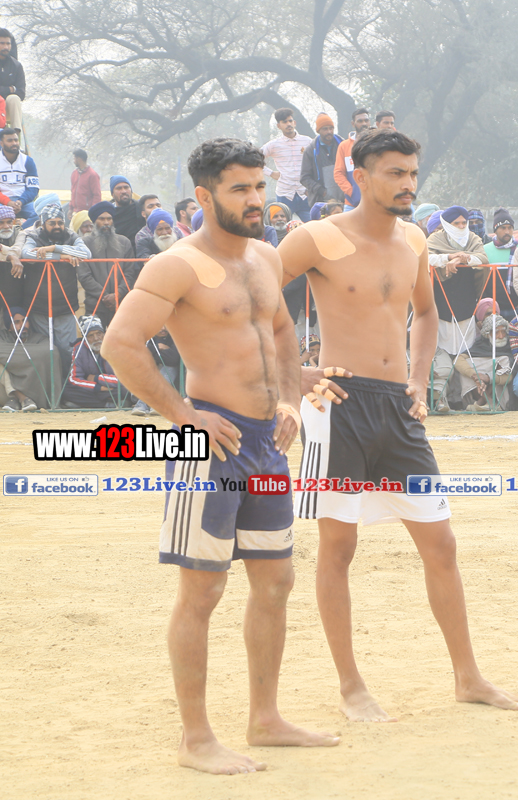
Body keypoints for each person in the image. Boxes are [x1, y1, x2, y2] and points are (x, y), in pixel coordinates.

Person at [102, 137, 338, 774]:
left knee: (276, 581)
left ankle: (265, 719)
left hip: (266, 444)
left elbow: (280, 332)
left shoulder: (265, 256)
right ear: (205, 197)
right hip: (209, 446)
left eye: (260, 186)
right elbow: (121, 343)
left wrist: (289, 399)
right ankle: (196, 738)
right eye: (241, 189)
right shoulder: (176, 266)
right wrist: (185, 416)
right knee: (203, 589)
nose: (257, 199)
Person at [278, 128, 518, 721]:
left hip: (398, 408)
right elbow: (254, 299)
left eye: (412, 173)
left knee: (441, 543)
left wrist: (418, 380)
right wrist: (294, 373)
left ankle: (468, 677)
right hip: (338, 406)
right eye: (395, 173)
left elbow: (426, 312)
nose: (408, 184)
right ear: (360, 177)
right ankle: (351, 687)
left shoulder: (415, 238)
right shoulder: (316, 236)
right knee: (339, 546)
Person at [427, 205, 488, 413]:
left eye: (464, 222)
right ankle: (441, 399)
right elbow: (426, 258)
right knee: (441, 355)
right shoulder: (435, 239)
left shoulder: (473, 239)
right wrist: (449, 257)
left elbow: (482, 258)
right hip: (441, 306)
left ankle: (465, 401)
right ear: (446, 224)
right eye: (457, 223)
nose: (461, 226)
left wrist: (464, 258)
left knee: (465, 354)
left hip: (466, 305)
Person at [22, 203, 88, 353]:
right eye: (52, 223)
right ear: (43, 224)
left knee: (68, 349)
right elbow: (27, 254)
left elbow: (86, 253)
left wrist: (53, 249)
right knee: (45, 350)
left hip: (65, 304)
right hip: (39, 306)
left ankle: (69, 370)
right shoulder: (34, 236)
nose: (57, 226)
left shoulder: (70, 235)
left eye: (60, 223)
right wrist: (62, 256)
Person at [79, 201, 136, 315]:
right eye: (102, 219)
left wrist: (118, 294)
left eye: (109, 219)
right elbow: (84, 276)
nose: (106, 223)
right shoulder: (84, 244)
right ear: (94, 221)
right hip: (95, 304)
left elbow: (130, 273)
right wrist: (105, 296)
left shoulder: (124, 242)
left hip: (121, 303)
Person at [456, 299, 512, 412]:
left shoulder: (509, 346)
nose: (501, 336)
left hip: (499, 392)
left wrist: (488, 377)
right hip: (478, 385)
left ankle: (484, 402)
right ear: (487, 334)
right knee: (467, 364)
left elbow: (510, 375)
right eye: (496, 332)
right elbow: (458, 360)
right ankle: (487, 401)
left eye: (503, 332)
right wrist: (475, 375)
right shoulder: (480, 344)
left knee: (504, 361)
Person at [261, 107, 312, 219]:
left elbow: (317, 162)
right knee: (282, 226)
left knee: (312, 225)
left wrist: (313, 185)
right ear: (279, 125)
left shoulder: (307, 141)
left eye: (290, 121)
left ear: (294, 123)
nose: (288, 124)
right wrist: (270, 173)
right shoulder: (273, 145)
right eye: (284, 122)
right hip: (285, 194)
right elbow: (254, 158)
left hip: (305, 193)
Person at [63, 316, 121, 408]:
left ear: (104, 333)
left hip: (114, 387)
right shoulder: (79, 348)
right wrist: (98, 388)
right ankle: (107, 404)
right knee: (66, 390)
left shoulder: (115, 346)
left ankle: (89, 403)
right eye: (90, 335)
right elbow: (74, 379)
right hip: (93, 389)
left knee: (126, 389)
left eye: (99, 333)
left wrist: (97, 378)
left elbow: (124, 379)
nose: (96, 338)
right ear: (84, 338)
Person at [131, 326, 179, 416]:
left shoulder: (174, 337)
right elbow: (142, 355)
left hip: (171, 376)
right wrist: (159, 347)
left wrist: (154, 353)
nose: (163, 329)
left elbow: (173, 359)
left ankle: (143, 405)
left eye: (165, 325)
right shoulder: (149, 339)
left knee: (167, 368)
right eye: (160, 325)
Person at [299, 113, 344, 205]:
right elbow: (304, 178)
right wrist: (322, 192)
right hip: (321, 201)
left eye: (331, 128)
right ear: (318, 130)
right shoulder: (310, 151)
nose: (329, 131)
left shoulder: (344, 146)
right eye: (325, 129)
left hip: (345, 199)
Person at [333, 108, 371, 208]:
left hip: (375, 202)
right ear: (353, 124)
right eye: (360, 121)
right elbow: (338, 173)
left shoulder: (378, 143)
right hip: (352, 203)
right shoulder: (344, 146)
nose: (364, 123)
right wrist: (352, 192)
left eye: (366, 120)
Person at [0, 127, 37, 225]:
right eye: (10, 141)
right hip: (2, 202)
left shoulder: (28, 161)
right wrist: (8, 202)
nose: (14, 143)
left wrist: (20, 202)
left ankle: (21, 232)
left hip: (23, 202)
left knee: (40, 214)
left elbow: (33, 188)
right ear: (1, 143)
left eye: (16, 140)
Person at [0, 29, 25, 135]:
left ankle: (15, 135)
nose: (6, 47)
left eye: (8, 44)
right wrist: (9, 89)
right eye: (2, 43)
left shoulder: (16, 66)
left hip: (7, 108)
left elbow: (21, 93)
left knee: (14, 98)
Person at [109, 176, 143, 244]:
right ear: (112, 194)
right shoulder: (108, 213)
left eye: (126, 187)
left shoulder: (140, 209)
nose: (124, 191)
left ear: (131, 191)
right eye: (119, 188)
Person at [69, 149, 102, 215]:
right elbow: (73, 192)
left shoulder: (92, 175)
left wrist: (93, 211)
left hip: (87, 213)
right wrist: (70, 208)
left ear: (79, 159)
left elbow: (97, 195)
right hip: (75, 212)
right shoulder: (74, 173)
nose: (74, 161)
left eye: (74, 158)